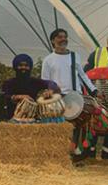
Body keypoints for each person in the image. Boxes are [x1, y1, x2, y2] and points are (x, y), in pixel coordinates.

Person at [40, 28, 98, 165]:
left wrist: (93, 90)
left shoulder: (74, 56)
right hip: (58, 99)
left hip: (75, 97)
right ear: (53, 41)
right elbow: (44, 81)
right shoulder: (48, 60)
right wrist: (47, 93)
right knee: (61, 128)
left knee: (76, 127)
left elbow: (82, 75)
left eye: (65, 37)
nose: (63, 39)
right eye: (59, 37)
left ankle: (74, 156)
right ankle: (61, 156)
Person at [83, 31, 108, 162]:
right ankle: (90, 154)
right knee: (95, 121)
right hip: (97, 94)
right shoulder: (97, 54)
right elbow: (86, 72)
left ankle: (107, 155)